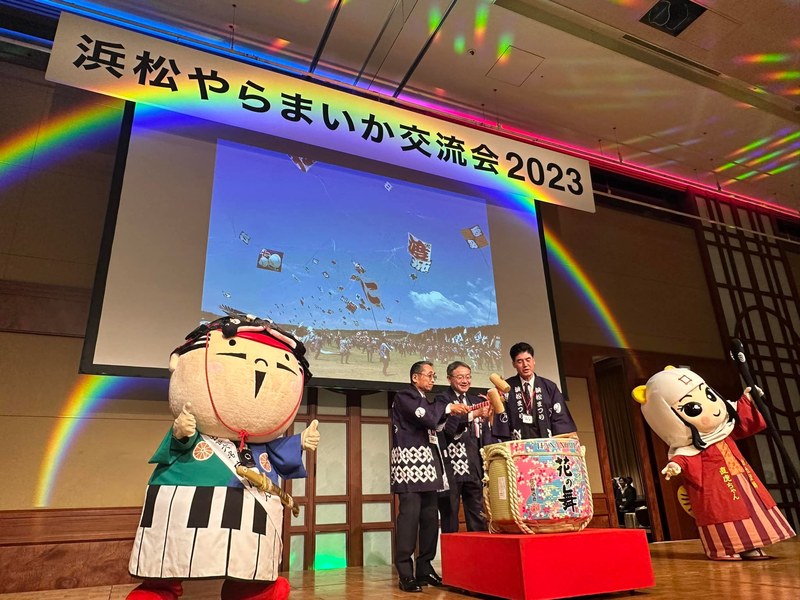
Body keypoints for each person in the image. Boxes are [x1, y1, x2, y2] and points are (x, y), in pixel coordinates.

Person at [390, 361, 470, 592]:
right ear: (415, 377)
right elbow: (426, 417)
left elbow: (439, 425)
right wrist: (449, 408)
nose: (432, 379)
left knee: (429, 519)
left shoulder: (427, 401)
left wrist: (460, 414)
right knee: (409, 519)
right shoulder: (405, 396)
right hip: (409, 466)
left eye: (434, 376)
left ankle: (424, 567)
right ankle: (405, 573)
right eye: (429, 375)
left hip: (430, 465)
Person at [435, 361, 489, 533]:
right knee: (450, 513)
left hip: (474, 463)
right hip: (452, 465)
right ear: (449, 379)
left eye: (468, 377)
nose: (465, 381)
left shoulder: (475, 400)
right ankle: (451, 549)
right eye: (460, 377)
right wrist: (473, 414)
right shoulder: (442, 399)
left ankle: (479, 548)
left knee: (477, 512)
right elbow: (448, 428)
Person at [501, 342, 577, 440]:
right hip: (517, 444)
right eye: (520, 361)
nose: (525, 365)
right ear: (514, 364)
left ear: (533, 361)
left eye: (528, 360)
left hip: (545, 443)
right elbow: (502, 419)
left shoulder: (549, 387)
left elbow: (560, 418)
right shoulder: (507, 387)